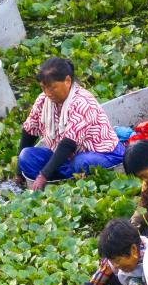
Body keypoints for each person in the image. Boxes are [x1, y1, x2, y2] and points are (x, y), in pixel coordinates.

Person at [18, 58, 125, 191]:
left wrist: (43, 175)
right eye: (43, 88)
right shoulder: (43, 100)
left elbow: (68, 144)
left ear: (67, 81)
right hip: (66, 159)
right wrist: (19, 172)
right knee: (26, 156)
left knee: (81, 162)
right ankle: (54, 186)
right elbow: (29, 132)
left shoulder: (82, 101)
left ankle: (56, 182)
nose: (47, 93)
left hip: (102, 155)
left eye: (52, 88)